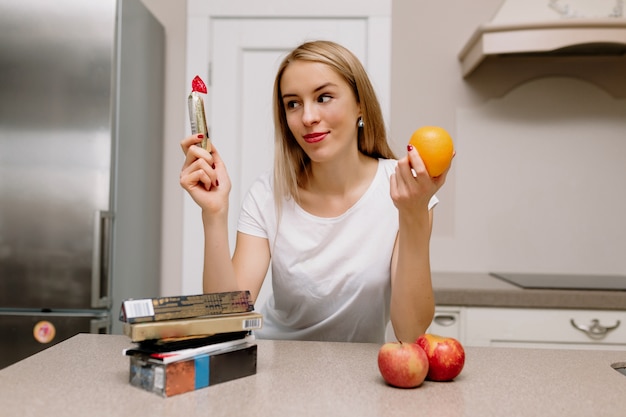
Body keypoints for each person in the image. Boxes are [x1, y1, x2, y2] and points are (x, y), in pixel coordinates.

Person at [180, 40, 452, 344]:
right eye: (293, 104)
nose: (307, 117)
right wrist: (213, 214)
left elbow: (411, 332)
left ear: (360, 104)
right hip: (277, 367)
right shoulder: (267, 195)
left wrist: (413, 213)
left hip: (360, 379)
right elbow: (223, 327)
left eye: (323, 97)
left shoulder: (405, 191)